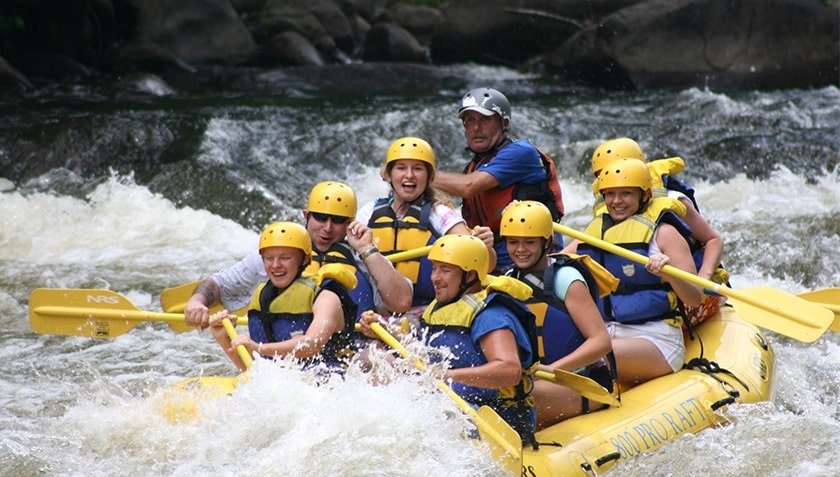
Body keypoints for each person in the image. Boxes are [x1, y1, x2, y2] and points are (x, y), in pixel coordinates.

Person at [359, 234, 540, 448]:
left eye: (445, 271)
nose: (435, 277)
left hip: (496, 418)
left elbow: (509, 371)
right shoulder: (442, 307)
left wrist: (447, 376)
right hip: (457, 407)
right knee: (374, 361)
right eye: (434, 268)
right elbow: (428, 354)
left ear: (470, 275)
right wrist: (386, 330)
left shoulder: (491, 316)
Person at [184, 181, 413, 330]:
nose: (328, 228)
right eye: (320, 218)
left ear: (351, 223)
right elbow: (219, 283)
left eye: (338, 220)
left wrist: (367, 250)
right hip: (288, 355)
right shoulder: (279, 254)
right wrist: (196, 301)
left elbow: (401, 302)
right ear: (306, 216)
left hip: (349, 354)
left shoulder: (362, 255)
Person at [565, 158, 703, 391]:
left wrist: (670, 275)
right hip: (605, 332)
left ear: (645, 195)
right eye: (610, 194)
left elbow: (695, 298)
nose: (617, 201)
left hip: (656, 339)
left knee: (595, 356)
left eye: (626, 194)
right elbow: (553, 263)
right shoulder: (595, 233)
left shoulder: (666, 234)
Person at [499, 200, 615, 430]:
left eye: (529, 242)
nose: (520, 250)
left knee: (516, 400)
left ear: (547, 242)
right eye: (513, 242)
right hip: (537, 381)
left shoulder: (566, 279)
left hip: (582, 382)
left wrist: (553, 370)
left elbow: (601, 341)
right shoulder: (508, 279)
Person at [590, 137, 726, 326]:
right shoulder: (611, 206)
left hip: (689, 284)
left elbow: (714, 239)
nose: (607, 180)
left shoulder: (672, 201)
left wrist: (703, 278)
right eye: (600, 176)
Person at [357, 136, 496, 320]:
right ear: (388, 174)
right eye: (401, 168)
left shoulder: (440, 214)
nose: (409, 175)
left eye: (418, 168)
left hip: (428, 316)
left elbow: (485, 264)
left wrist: (485, 247)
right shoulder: (369, 212)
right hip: (374, 318)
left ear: (430, 177)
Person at [432, 87, 565, 271]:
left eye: (485, 119)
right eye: (470, 120)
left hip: (530, 252)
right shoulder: (474, 167)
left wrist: (418, 173)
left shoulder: (521, 153)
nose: (476, 128)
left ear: (505, 123)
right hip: (491, 253)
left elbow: (468, 186)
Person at [208, 221, 357, 371]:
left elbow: (312, 344)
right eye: (269, 258)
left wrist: (258, 348)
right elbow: (253, 371)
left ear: (305, 259)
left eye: (285, 258)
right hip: (288, 387)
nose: (276, 265)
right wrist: (223, 338)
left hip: (332, 383)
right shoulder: (263, 297)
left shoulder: (327, 297)